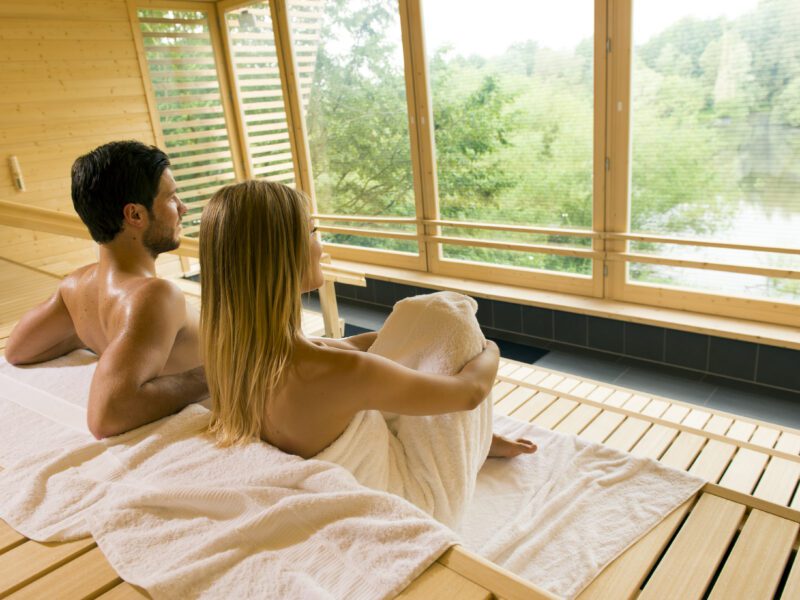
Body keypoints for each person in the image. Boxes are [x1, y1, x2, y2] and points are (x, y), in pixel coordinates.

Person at [199, 180, 536, 523]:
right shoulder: (343, 372)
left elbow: (355, 346)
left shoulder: (232, 355)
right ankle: (477, 443)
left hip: (359, 470)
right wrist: (490, 347)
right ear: (284, 255)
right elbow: (470, 392)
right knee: (455, 318)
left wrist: (418, 329)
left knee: (430, 314)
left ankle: (477, 439)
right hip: (418, 504)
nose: (320, 245)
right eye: (313, 231)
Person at [5, 141, 207, 439]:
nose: (183, 208)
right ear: (135, 215)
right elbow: (107, 415)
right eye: (172, 197)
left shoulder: (76, 286)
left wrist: (95, 336)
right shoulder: (155, 296)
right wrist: (216, 375)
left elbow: (17, 349)